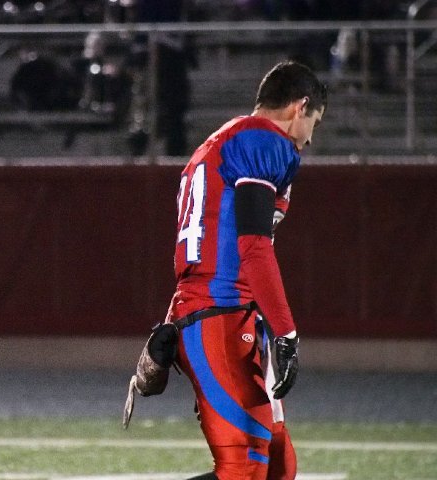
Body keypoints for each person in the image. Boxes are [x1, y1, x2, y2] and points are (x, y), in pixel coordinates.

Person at [130, 61, 326, 480]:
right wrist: (287, 333)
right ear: (300, 106)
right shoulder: (264, 140)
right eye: (315, 121)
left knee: (278, 465)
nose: (310, 137)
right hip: (219, 314)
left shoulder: (218, 144)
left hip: (220, 311)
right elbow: (252, 245)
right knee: (245, 468)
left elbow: (208, 249)